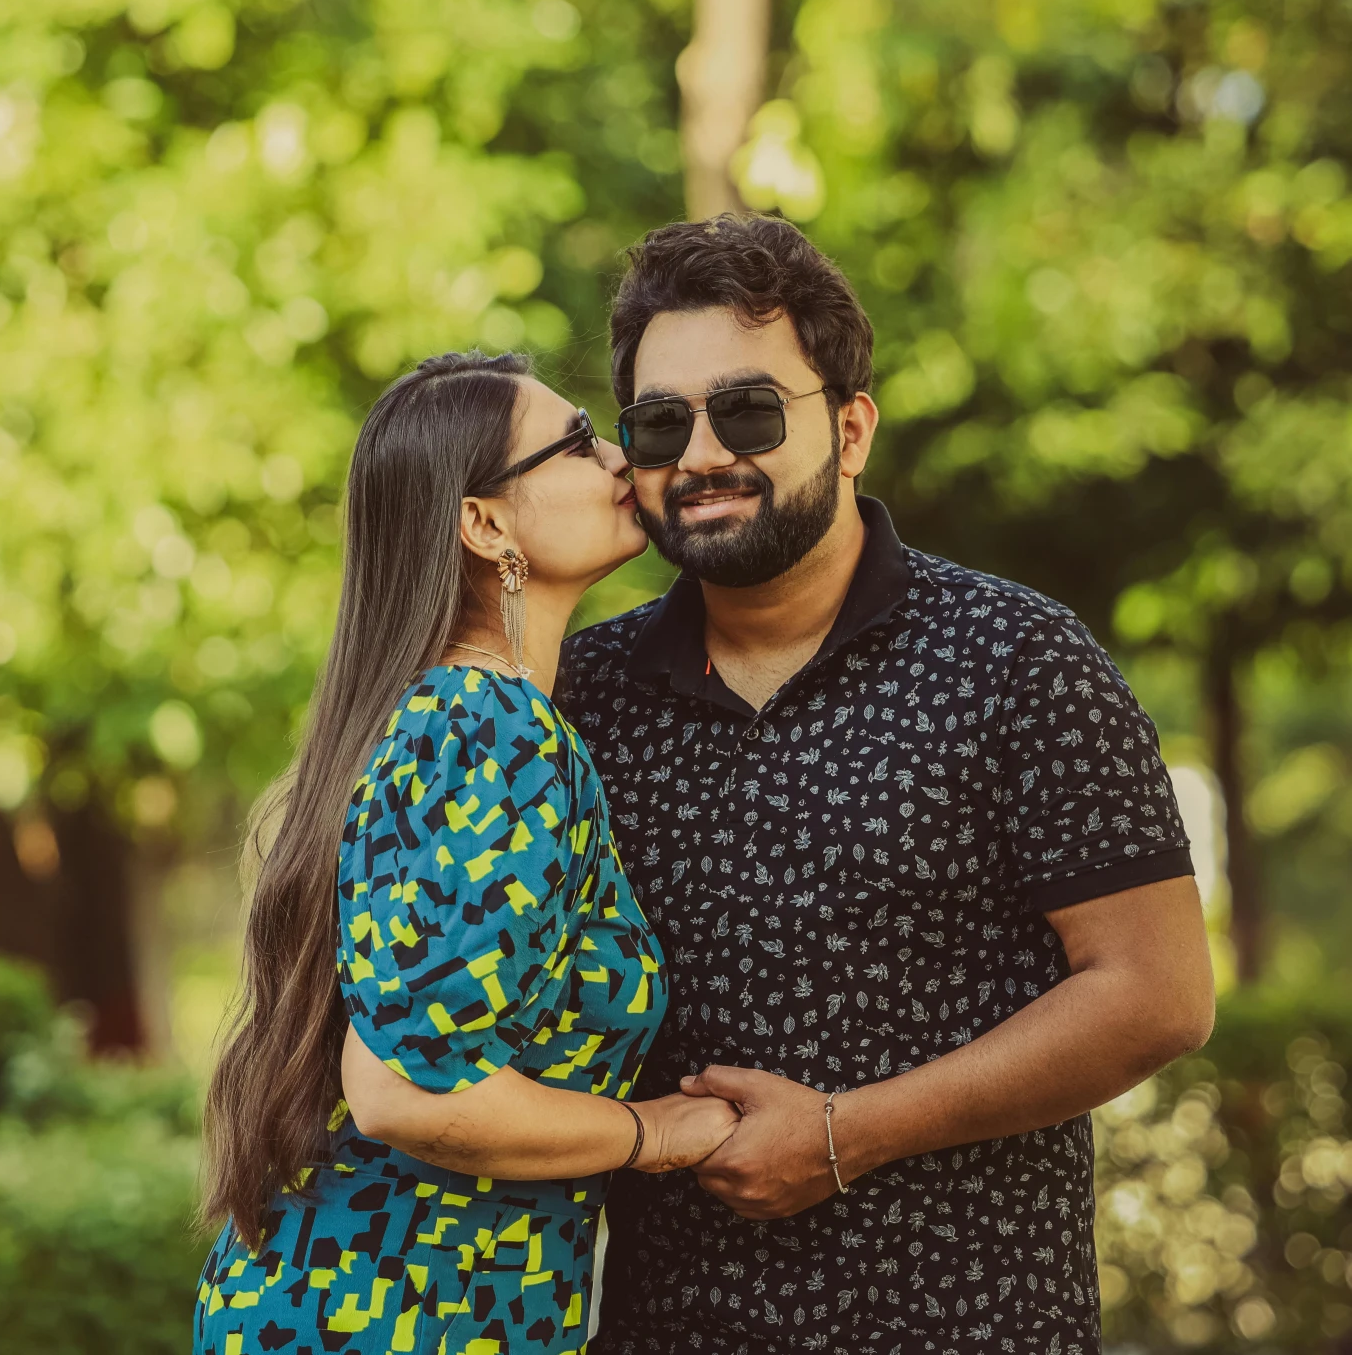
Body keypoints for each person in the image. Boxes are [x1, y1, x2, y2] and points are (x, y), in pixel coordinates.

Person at [558, 215, 1217, 1355]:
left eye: (750, 410)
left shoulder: (1018, 659)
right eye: (661, 424)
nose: (702, 455)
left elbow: (1158, 995)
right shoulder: (579, 696)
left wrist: (846, 1133)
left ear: (851, 428)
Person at [194, 351, 741, 1355]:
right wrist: (655, 1134)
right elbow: (405, 1084)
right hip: (402, 1322)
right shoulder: (490, 727)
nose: (622, 457)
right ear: (485, 523)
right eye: (577, 443)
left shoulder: (450, 718)